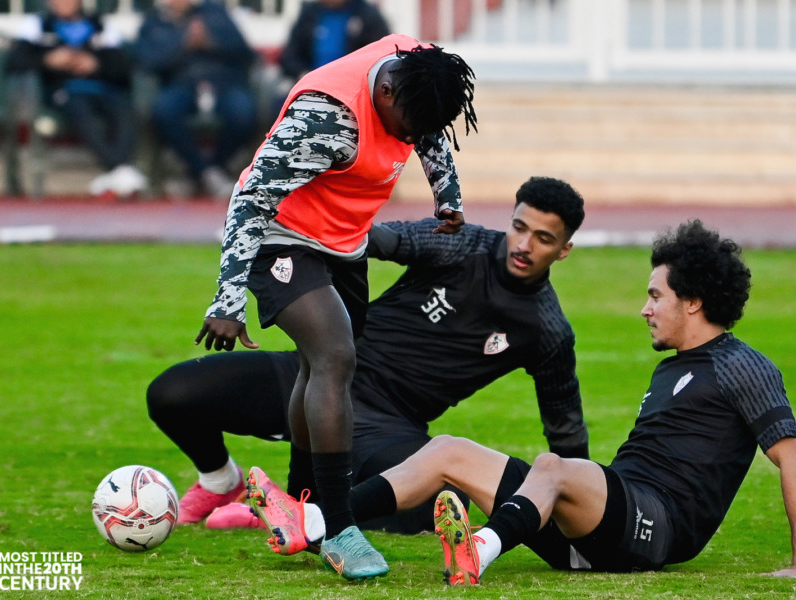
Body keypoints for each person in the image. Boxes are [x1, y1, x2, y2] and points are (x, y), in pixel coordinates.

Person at [248, 220, 796, 583]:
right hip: (604, 523)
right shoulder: (675, 369)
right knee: (447, 450)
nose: (646, 308)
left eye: (655, 295)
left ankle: (479, 549)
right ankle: (320, 521)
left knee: (554, 467)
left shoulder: (741, 364)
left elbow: (792, 457)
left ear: (693, 303)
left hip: (656, 527)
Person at [148, 176, 589, 537]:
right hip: (321, 372)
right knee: (172, 394)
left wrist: (586, 504)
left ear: (564, 250)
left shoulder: (547, 330)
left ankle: (293, 509)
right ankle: (223, 483)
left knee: (432, 509)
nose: (524, 245)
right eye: (519, 227)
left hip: (388, 426)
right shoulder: (463, 244)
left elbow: (565, 429)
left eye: (543, 238)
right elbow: (376, 239)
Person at [192, 33, 477, 580]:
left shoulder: (418, 68)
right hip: (281, 235)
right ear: (385, 91)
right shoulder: (326, 118)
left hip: (344, 240)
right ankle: (341, 527)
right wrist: (228, 297)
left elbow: (432, 128)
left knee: (317, 367)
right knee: (334, 356)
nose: (415, 138)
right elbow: (251, 199)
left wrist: (447, 194)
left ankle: (303, 509)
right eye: (409, 126)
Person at [4, 0, 147, 198]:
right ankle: (121, 169)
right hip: (64, 91)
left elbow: (123, 68)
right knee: (79, 110)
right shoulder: (37, 25)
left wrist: (95, 64)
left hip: (102, 89)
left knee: (124, 110)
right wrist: (48, 60)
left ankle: (116, 171)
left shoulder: (100, 26)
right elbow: (14, 62)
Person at [135, 0, 259, 198]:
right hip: (180, 83)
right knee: (163, 111)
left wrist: (211, 41)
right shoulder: (154, 22)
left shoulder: (215, 14)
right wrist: (182, 44)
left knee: (243, 113)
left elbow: (245, 53)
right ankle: (208, 174)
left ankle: (202, 171)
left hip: (223, 82)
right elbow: (146, 61)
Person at [269, 0, 391, 117]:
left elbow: (381, 57)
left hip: (353, 93)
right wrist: (303, 75)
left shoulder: (368, 16)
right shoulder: (309, 14)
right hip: (309, 87)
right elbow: (290, 55)